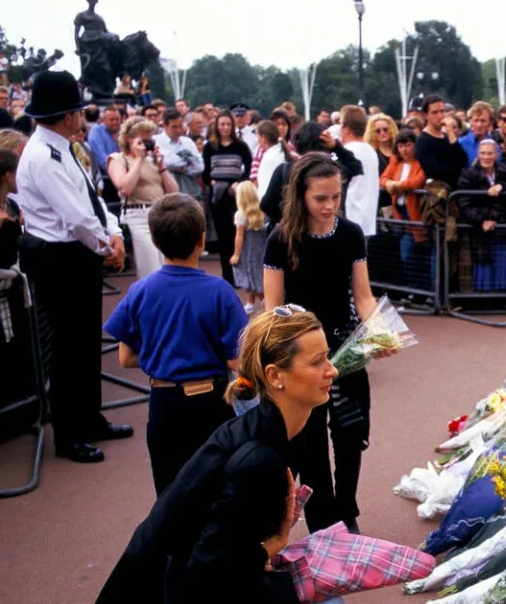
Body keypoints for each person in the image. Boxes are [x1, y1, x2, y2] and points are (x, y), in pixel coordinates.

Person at [21, 308, 343, 604]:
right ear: (276, 376)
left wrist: (271, 557)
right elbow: (208, 577)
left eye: (327, 357)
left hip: (189, 598)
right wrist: (271, 548)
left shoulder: (274, 428)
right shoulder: (258, 458)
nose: (332, 369)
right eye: (318, 361)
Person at [264, 153, 386, 535]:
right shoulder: (280, 239)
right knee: (310, 442)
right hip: (301, 354)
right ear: (300, 195)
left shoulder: (350, 234)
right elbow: (273, 308)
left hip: (346, 349)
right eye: (321, 198)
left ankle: (347, 512)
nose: (330, 205)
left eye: (336, 196)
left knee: (351, 433)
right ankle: (323, 525)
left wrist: (380, 330)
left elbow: (363, 296)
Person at [15, 70, 131, 464]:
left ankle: (89, 418)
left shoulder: (61, 147)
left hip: (76, 252)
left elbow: (91, 202)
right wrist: (108, 248)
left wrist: (113, 233)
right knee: (67, 348)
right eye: (78, 111)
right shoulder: (43, 157)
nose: (82, 116)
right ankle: (69, 435)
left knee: (85, 342)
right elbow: (77, 218)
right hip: (59, 257)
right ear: (67, 116)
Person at [102, 194, 246, 493]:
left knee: (170, 494)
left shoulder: (140, 290)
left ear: (155, 241)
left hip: (164, 403)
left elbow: (126, 358)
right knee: (217, 489)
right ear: (202, 239)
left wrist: (166, 354)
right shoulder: (220, 291)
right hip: (211, 402)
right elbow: (236, 360)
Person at [107, 116, 179, 278]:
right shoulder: (118, 159)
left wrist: (161, 167)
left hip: (160, 216)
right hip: (138, 217)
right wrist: (139, 159)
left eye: (149, 138)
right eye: (142, 138)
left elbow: (174, 191)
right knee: (151, 269)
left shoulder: (152, 160)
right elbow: (125, 188)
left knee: (167, 267)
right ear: (128, 139)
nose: (146, 142)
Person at [457, 139, 506, 296]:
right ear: (478, 154)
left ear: (496, 155)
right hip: (479, 227)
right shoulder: (468, 174)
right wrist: (481, 220)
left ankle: (504, 297)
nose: (486, 157)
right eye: (483, 153)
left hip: (501, 226)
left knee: (502, 261)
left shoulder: (505, 172)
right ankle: (483, 297)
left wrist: (502, 186)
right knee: (482, 262)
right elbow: (464, 203)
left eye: (490, 153)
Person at [203, 110, 253, 285]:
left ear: (233, 126)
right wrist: (213, 183)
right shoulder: (210, 147)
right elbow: (205, 173)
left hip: (235, 195)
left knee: (237, 234)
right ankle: (227, 276)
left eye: (228, 124)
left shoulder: (241, 146)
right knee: (222, 237)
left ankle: (240, 275)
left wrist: (239, 183)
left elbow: (249, 169)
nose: (225, 128)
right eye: (222, 124)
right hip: (217, 196)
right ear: (217, 126)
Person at [380, 129, 427, 269]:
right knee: (404, 255)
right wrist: (389, 183)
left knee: (416, 253)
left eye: (408, 145)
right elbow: (383, 178)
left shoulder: (421, 162)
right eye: (401, 146)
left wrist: (397, 185)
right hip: (400, 213)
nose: (404, 150)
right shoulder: (396, 162)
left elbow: (417, 181)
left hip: (416, 213)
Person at [339, 105, 379, 242]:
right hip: (367, 220)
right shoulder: (371, 151)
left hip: (349, 218)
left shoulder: (348, 151)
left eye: (340, 124)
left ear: (346, 127)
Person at [415, 95, 467, 190]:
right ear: (426, 115)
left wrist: (450, 132)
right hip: (439, 190)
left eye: (442, 111)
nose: (440, 116)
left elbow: (462, 160)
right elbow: (435, 171)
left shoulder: (446, 136)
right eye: (435, 112)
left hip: (455, 189)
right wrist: (455, 168)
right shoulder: (423, 140)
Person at [230, 181, 267, 313]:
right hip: (261, 250)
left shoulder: (240, 215)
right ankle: (250, 303)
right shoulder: (261, 212)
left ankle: (265, 302)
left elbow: (239, 236)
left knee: (248, 277)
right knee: (257, 276)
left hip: (247, 251)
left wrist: (236, 254)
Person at [156, 110, 203, 200]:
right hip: (165, 194)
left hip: (189, 193)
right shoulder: (156, 141)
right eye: (174, 127)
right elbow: (170, 162)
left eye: (180, 126)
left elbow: (199, 166)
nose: (178, 130)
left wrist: (183, 169)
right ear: (165, 126)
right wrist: (187, 162)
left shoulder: (187, 142)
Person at [254, 119, 292, 202]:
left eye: (258, 136)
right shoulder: (279, 152)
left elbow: (264, 190)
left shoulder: (270, 158)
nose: (257, 139)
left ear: (263, 137)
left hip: (272, 205)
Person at [86, 105, 120, 174]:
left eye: (117, 119)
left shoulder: (121, 131)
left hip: (119, 171)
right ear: (103, 120)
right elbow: (104, 163)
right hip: (105, 175)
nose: (115, 122)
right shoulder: (96, 132)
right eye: (111, 120)